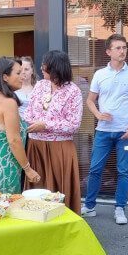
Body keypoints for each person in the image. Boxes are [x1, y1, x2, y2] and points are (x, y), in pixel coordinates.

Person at [81, 34, 128, 225]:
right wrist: (98, 114)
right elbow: (90, 101)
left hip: (125, 131)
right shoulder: (100, 74)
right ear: (108, 51)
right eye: (118, 48)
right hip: (103, 130)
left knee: (124, 171)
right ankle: (90, 206)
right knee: (95, 169)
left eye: (124, 47)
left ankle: (120, 208)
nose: (122, 51)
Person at [22, 50, 83, 213]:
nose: (41, 67)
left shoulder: (73, 91)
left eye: (45, 64)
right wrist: (37, 123)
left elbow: (74, 124)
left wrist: (46, 124)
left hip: (59, 148)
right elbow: (28, 112)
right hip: (36, 146)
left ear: (55, 67)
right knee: (38, 188)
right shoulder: (41, 85)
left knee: (59, 189)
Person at [0, 58, 40, 195]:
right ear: (5, 77)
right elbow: (14, 140)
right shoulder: (8, 103)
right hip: (4, 166)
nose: (22, 76)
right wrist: (27, 169)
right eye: (18, 73)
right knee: (5, 211)